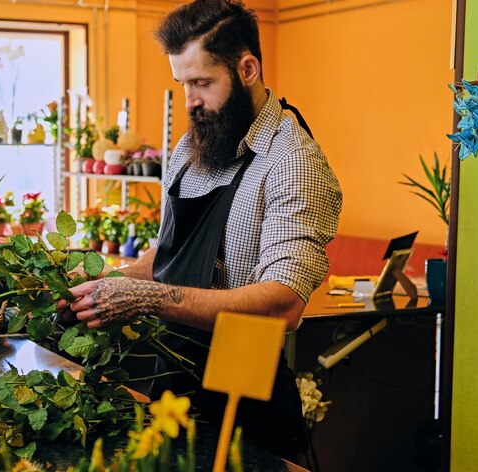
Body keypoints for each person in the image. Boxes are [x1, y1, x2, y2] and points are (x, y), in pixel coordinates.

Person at [60, 0, 342, 461]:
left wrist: (151, 300)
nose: (189, 100)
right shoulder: (193, 146)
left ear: (247, 68)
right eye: (182, 83)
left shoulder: (293, 161)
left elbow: (284, 304)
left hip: (245, 400)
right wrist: (111, 284)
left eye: (202, 83)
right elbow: (169, 255)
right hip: (172, 385)